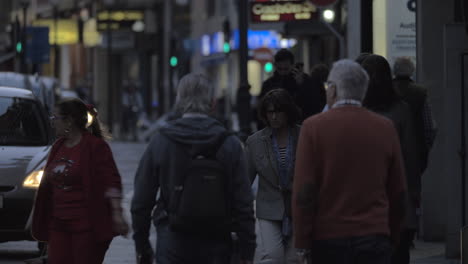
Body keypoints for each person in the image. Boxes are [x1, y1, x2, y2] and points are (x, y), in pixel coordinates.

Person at [131, 73, 256, 264]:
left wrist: (142, 246)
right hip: (217, 240)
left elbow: (141, 201)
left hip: (172, 239)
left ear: (178, 101)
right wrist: (247, 249)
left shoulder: (162, 141)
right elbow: (243, 202)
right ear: (213, 103)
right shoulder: (229, 143)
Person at [292, 59, 407, 264]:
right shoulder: (385, 127)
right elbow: (398, 191)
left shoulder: (313, 128)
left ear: (334, 90)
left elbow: (305, 190)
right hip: (374, 235)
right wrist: (393, 234)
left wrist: (302, 241)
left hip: (328, 238)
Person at [31, 98, 129, 264]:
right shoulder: (58, 146)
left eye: (55, 118)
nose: (52, 123)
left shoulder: (95, 147)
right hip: (58, 223)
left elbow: (111, 182)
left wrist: (117, 214)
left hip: (86, 226)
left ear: (69, 121)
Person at [360, 54, 426, 264]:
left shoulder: (357, 110)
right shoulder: (401, 109)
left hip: (365, 200)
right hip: (397, 196)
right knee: (397, 254)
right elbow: (411, 156)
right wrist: (414, 193)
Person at [245, 89, 301, 263]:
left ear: (288, 112)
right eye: (270, 112)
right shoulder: (255, 142)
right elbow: (244, 180)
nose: (274, 117)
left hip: (298, 206)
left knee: (294, 258)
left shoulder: (304, 135)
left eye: (279, 111)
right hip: (269, 206)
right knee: (273, 256)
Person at [393, 56, 437, 170]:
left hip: (391, 150)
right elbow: (430, 127)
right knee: (413, 185)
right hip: (415, 152)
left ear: (394, 71)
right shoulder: (420, 92)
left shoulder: (387, 91)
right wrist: (425, 147)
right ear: (412, 70)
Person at [257, 49, 318, 128]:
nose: (283, 72)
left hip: (298, 125)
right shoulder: (269, 84)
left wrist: (302, 85)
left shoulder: (304, 80)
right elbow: (262, 108)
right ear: (275, 66)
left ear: (292, 65)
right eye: (280, 69)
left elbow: (312, 104)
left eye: (286, 69)